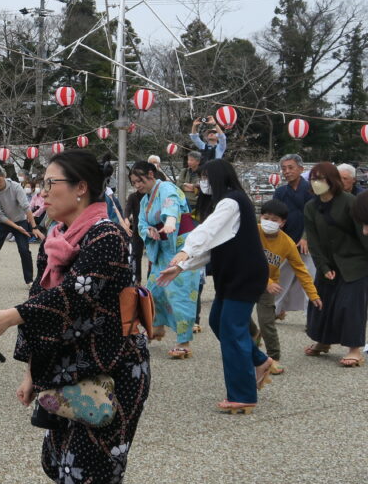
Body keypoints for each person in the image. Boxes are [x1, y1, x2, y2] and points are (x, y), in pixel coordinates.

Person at [0, 150, 157, 484]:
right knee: (56, 462)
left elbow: (75, 295)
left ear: (80, 188)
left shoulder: (107, 237)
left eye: (50, 184)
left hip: (112, 373)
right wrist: (30, 373)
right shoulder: (55, 238)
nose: (42, 193)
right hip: (66, 372)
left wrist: (11, 316)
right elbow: (39, 297)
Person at [157, 159, 273, 413]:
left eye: (206, 177)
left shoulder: (232, 202)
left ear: (219, 177)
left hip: (244, 275)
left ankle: (243, 396)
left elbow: (206, 233)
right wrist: (182, 266)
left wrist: (185, 251)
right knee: (218, 321)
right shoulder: (225, 203)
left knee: (231, 329)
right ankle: (260, 360)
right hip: (233, 275)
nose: (202, 182)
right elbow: (213, 247)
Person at [130, 162, 200, 358]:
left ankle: (184, 342)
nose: (137, 185)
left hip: (180, 247)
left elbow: (171, 206)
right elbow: (141, 223)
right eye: (134, 183)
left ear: (151, 174)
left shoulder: (167, 188)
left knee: (180, 294)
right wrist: (149, 230)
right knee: (154, 291)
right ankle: (157, 327)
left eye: (139, 180)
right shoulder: (145, 200)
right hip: (162, 249)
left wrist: (170, 221)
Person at [302, 162, 368, 367]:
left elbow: (363, 234)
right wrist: (322, 266)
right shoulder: (311, 206)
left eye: (320, 178)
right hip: (328, 262)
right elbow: (313, 241)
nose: (316, 183)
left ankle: (354, 349)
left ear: (332, 180)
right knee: (321, 302)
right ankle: (323, 341)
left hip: (354, 262)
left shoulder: (350, 202)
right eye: (313, 179)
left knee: (350, 306)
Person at [253, 199, 320, 371]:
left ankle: (273, 358)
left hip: (269, 286)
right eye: (266, 218)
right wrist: (266, 282)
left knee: (267, 322)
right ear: (260, 217)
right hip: (247, 280)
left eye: (274, 220)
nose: (269, 222)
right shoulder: (252, 231)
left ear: (282, 223)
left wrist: (313, 294)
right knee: (238, 315)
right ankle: (253, 334)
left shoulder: (287, 243)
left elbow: (301, 270)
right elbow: (245, 260)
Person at [0, 167, 44, 289]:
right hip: (2, 223)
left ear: (4, 176)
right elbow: (0, 216)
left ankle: (29, 281)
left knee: (24, 250)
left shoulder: (16, 187)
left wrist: (34, 227)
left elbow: (26, 207)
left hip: (20, 220)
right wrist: (16, 227)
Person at [273, 154, 316, 317]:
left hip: (307, 243)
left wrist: (306, 237)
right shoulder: (281, 192)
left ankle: (311, 317)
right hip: (286, 241)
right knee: (280, 278)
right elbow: (275, 214)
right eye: (284, 168)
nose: (287, 171)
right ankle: (274, 310)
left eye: (291, 167)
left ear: (301, 169)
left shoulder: (312, 190)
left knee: (309, 280)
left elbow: (315, 217)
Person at [179, 151, 203, 216]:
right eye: (188, 160)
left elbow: (203, 188)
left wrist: (188, 185)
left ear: (198, 162)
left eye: (191, 160)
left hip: (196, 204)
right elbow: (178, 185)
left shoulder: (203, 173)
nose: (189, 162)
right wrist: (193, 187)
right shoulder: (184, 171)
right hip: (183, 202)